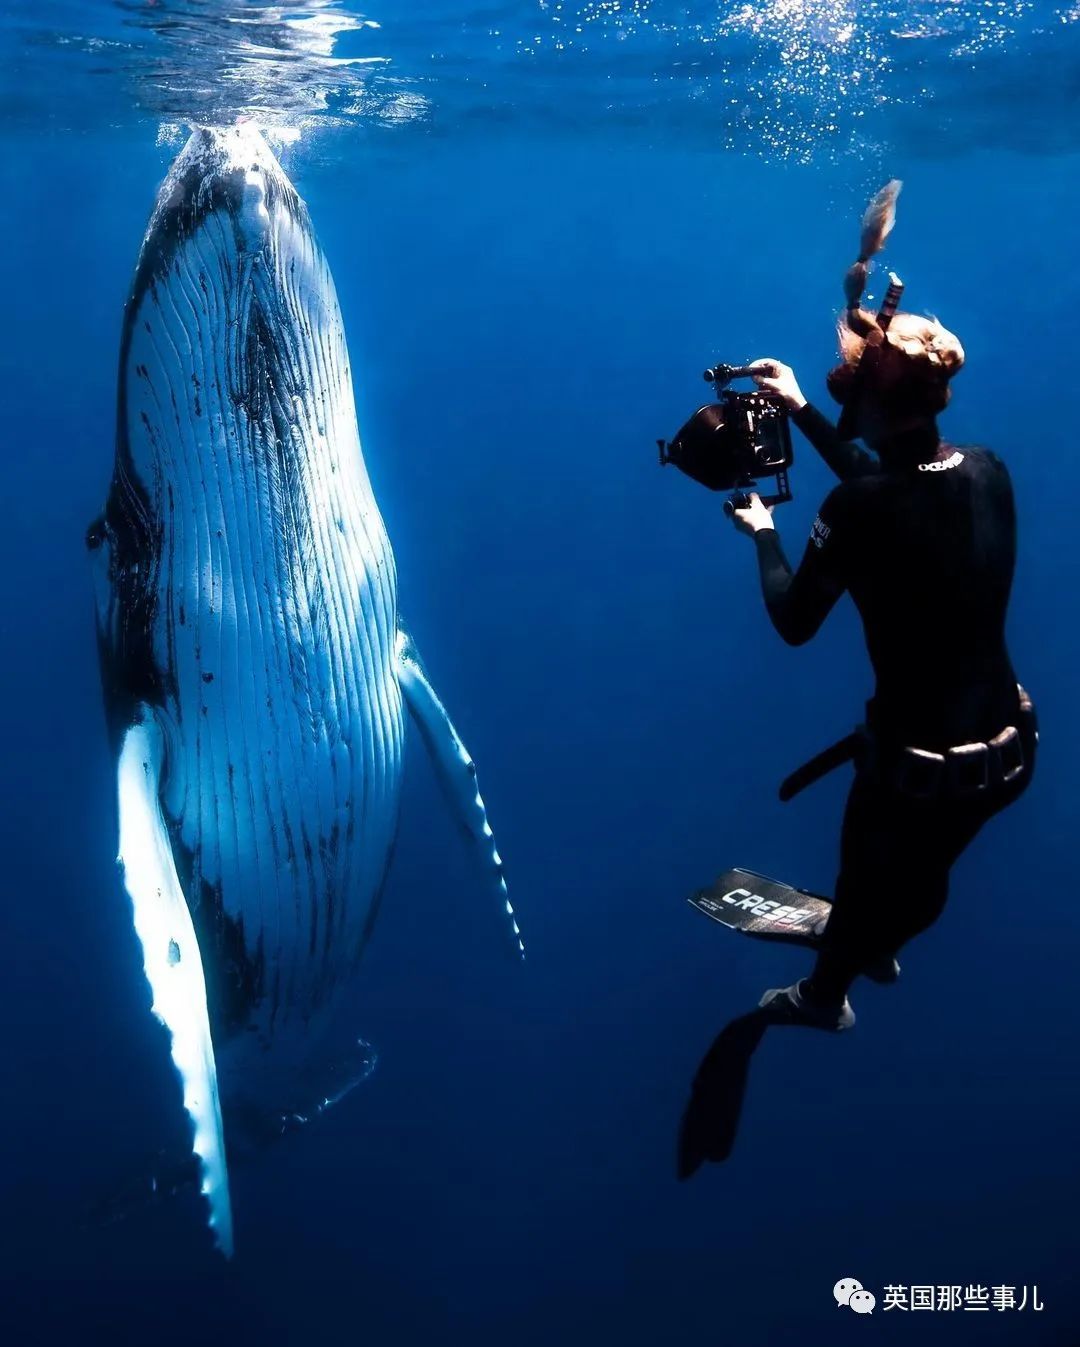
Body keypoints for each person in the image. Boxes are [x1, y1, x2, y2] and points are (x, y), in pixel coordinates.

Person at [730, 307, 1036, 1032]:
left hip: (913, 774)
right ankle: (884, 944)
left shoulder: (857, 508)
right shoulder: (987, 468)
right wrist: (800, 407)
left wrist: (764, 535)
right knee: (928, 872)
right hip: (1008, 758)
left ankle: (823, 999)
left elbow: (795, 621)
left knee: (863, 883)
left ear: (867, 407)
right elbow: (896, 484)